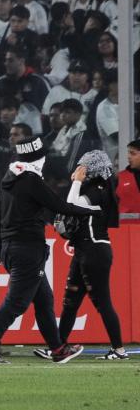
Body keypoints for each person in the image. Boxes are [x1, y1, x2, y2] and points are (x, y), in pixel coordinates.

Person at [0, 136, 96, 365]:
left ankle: (58, 349)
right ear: (40, 157)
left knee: (44, 299)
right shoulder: (31, 180)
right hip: (28, 249)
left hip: (11, 248)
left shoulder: (8, 179)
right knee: (16, 302)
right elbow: (59, 206)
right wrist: (93, 212)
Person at [35, 151, 127, 361]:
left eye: (82, 167)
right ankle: (58, 347)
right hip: (84, 251)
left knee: (102, 301)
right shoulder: (95, 188)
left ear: (91, 168)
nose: (78, 171)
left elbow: (72, 206)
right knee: (70, 301)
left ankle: (119, 349)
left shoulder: (98, 189)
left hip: (95, 251)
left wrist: (76, 182)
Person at [116, 139, 140, 217]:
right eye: (128, 153)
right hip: (126, 226)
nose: (128, 157)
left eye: (133, 153)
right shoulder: (119, 178)